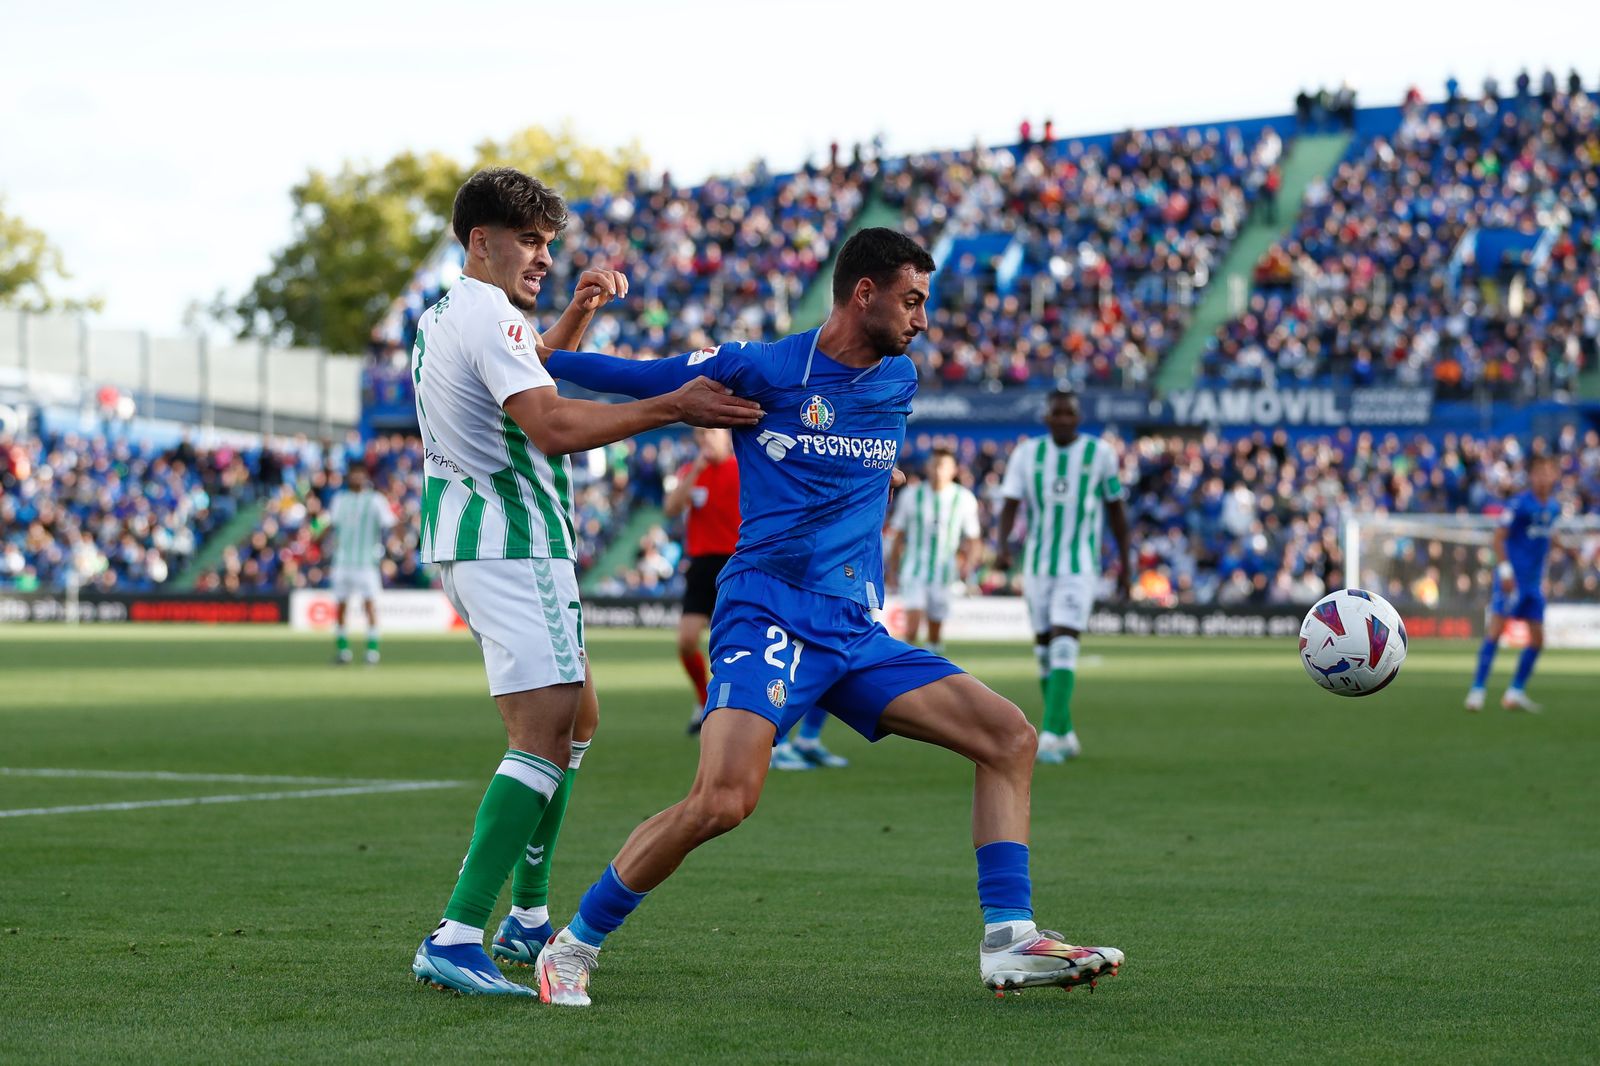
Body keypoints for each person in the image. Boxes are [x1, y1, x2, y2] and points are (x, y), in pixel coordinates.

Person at [532, 228, 1123, 1006]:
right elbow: (616, 374)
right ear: (864, 293)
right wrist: (559, 332)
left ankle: (1009, 940)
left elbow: (854, 453)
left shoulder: (899, 379)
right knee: (722, 801)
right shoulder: (765, 368)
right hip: (766, 610)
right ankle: (571, 947)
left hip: (854, 629)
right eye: (911, 300)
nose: (922, 319)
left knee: (1008, 735)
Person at [407, 167, 762, 997]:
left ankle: (528, 916)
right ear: (479, 241)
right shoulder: (490, 312)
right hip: (513, 543)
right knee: (540, 737)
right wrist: (674, 406)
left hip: (484, 542)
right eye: (528, 242)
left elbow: (531, 375)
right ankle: (457, 932)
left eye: (547, 244)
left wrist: (579, 312)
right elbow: (554, 422)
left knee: (577, 723)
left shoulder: (450, 312)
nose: (541, 258)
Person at [994, 389, 1131, 764]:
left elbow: (1116, 512)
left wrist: (1126, 565)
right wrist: (1003, 546)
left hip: (1079, 566)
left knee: (1064, 644)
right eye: (1057, 413)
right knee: (1043, 654)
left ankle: (1050, 734)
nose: (1064, 419)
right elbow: (1009, 504)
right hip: (1037, 567)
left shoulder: (1100, 454)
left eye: (1070, 413)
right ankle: (1066, 731)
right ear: (1047, 417)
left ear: (1078, 417)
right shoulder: (1027, 454)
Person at [1466, 455, 1562, 713]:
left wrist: (1575, 552)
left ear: (1554, 476)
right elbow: (1499, 538)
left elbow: (1550, 535)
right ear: (1531, 476)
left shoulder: (1553, 507)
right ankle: (1477, 690)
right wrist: (1505, 571)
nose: (1544, 477)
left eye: (1548, 472)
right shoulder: (1519, 504)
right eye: (1539, 472)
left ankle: (1515, 692)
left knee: (1538, 640)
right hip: (1512, 579)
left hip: (1533, 584)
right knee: (1496, 632)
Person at [667, 428, 741, 734]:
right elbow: (671, 509)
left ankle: (734, 710)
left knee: (729, 645)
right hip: (700, 564)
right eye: (699, 434)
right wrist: (695, 469)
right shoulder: (690, 470)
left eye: (710, 432)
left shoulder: (741, 468)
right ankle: (704, 699)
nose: (704, 439)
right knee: (686, 642)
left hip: (734, 560)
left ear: (727, 436)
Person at [886, 446, 981, 655]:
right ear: (927, 467)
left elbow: (973, 539)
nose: (938, 470)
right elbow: (899, 536)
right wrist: (892, 570)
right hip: (914, 570)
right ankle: (907, 675)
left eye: (943, 466)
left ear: (954, 470)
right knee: (910, 629)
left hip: (945, 573)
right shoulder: (912, 495)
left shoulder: (964, 498)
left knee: (935, 634)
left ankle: (932, 676)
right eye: (934, 465)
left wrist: (968, 566)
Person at [324, 464, 396, 665]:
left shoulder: (375, 500)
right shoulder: (340, 500)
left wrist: (395, 547)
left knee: (370, 605)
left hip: (367, 563)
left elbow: (390, 524)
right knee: (340, 606)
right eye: (353, 475)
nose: (356, 479)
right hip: (342, 562)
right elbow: (331, 525)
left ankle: (372, 652)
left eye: (360, 475)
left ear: (365, 477)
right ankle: (343, 651)